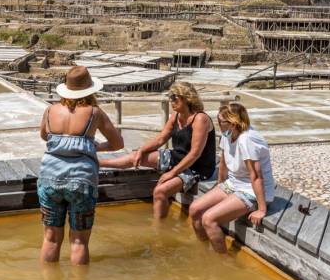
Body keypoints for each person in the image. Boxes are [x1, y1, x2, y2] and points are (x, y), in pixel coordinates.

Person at [38, 66, 124, 265]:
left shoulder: (50, 110)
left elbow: (45, 136)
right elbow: (117, 143)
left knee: (50, 238)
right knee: (79, 242)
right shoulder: (95, 113)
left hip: (49, 178)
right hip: (81, 181)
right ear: (90, 90)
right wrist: (94, 146)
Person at [99, 82, 216, 219]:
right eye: (170, 97)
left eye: (174, 97)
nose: (171, 100)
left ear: (186, 98)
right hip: (177, 157)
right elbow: (161, 139)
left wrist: (171, 173)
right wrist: (141, 150)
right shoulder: (175, 116)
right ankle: (99, 163)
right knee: (135, 156)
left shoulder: (200, 119)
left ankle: (158, 230)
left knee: (160, 192)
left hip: (197, 167)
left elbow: (195, 154)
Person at [189, 103, 275, 254]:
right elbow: (223, 162)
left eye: (220, 121)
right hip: (234, 184)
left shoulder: (247, 140)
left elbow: (256, 176)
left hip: (251, 191)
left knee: (209, 219)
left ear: (233, 123)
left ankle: (222, 261)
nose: (217, 124)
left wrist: (262, 209)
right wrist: (219, 185)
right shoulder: (227, 135)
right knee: (194, 209)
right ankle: (204, 248)